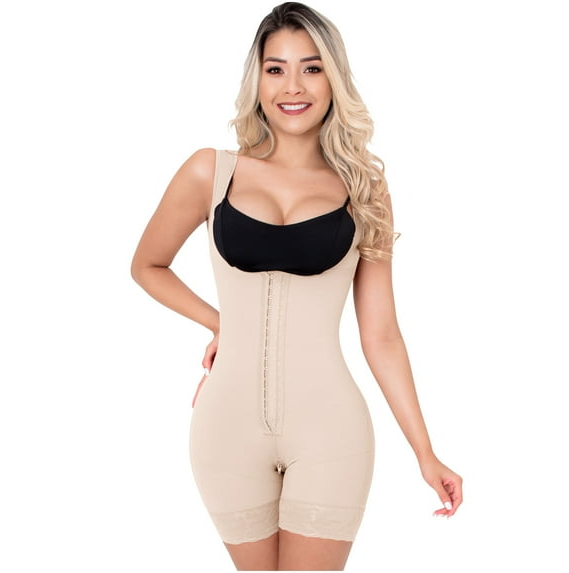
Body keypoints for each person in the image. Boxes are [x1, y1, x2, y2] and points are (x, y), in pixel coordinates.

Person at [130, 2, 463, 570]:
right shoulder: (210, 171)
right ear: (257, 80)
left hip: (331, 432)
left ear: (334, 79)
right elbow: (148, 266)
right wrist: (223, 323)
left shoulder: (365, 189)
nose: (293, 86)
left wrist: (425, 452)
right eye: (276, 68)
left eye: (311, 68)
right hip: (225, 432)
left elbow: (381, 334)